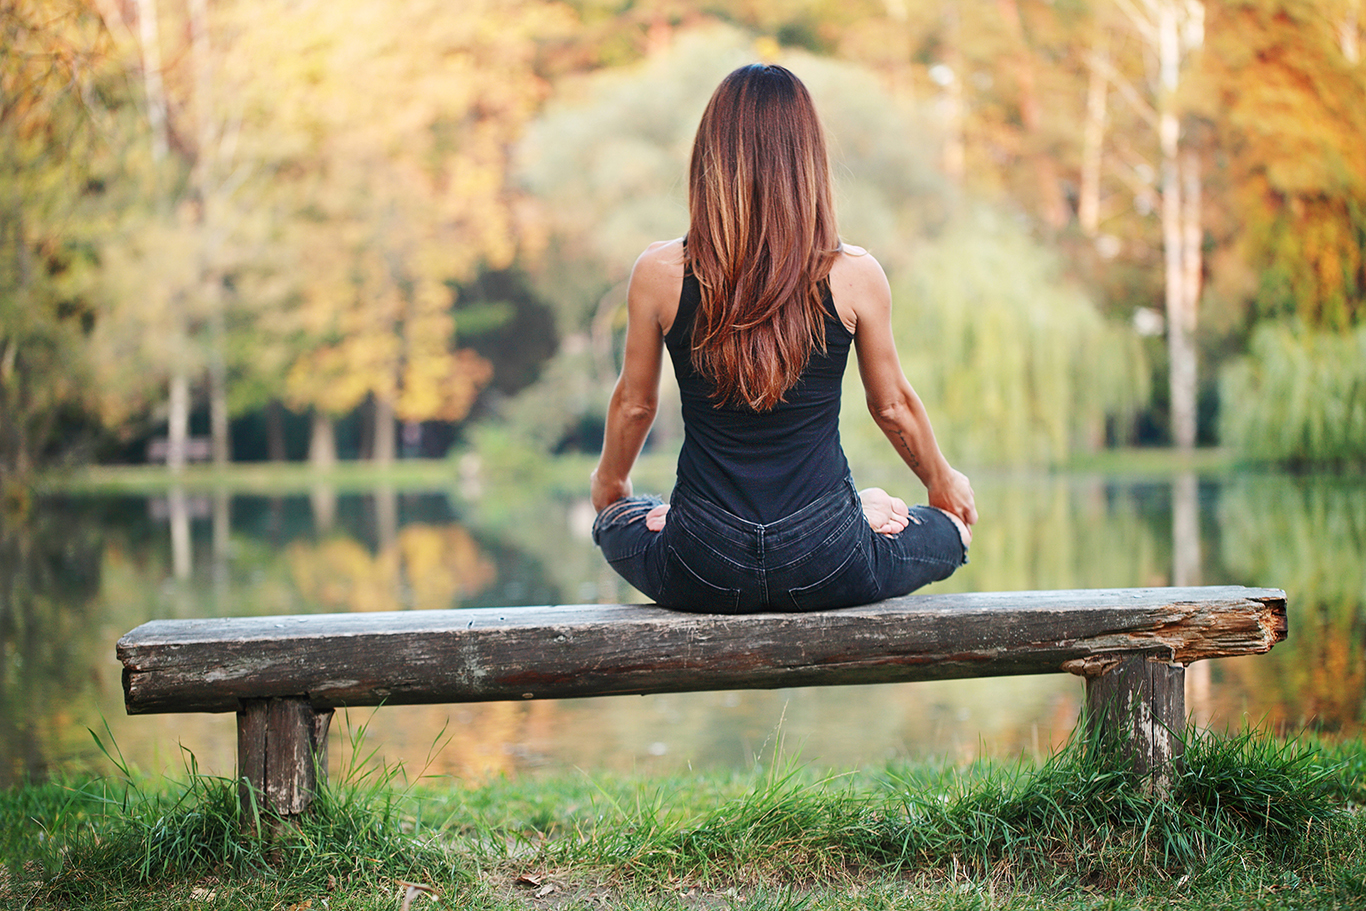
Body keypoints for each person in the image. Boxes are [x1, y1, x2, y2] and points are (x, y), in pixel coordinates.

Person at [590, 63, 977, 614]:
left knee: (619, 521)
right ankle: (855, 510)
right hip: (827, 556)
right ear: (809, 163)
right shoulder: (855, 274)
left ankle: (831, 510)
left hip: (703, 561)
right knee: (950, 532)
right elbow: (892, 406)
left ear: (710, 160)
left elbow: (635, 405)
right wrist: (943, 484)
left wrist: (611, 490)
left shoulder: (659, 272)